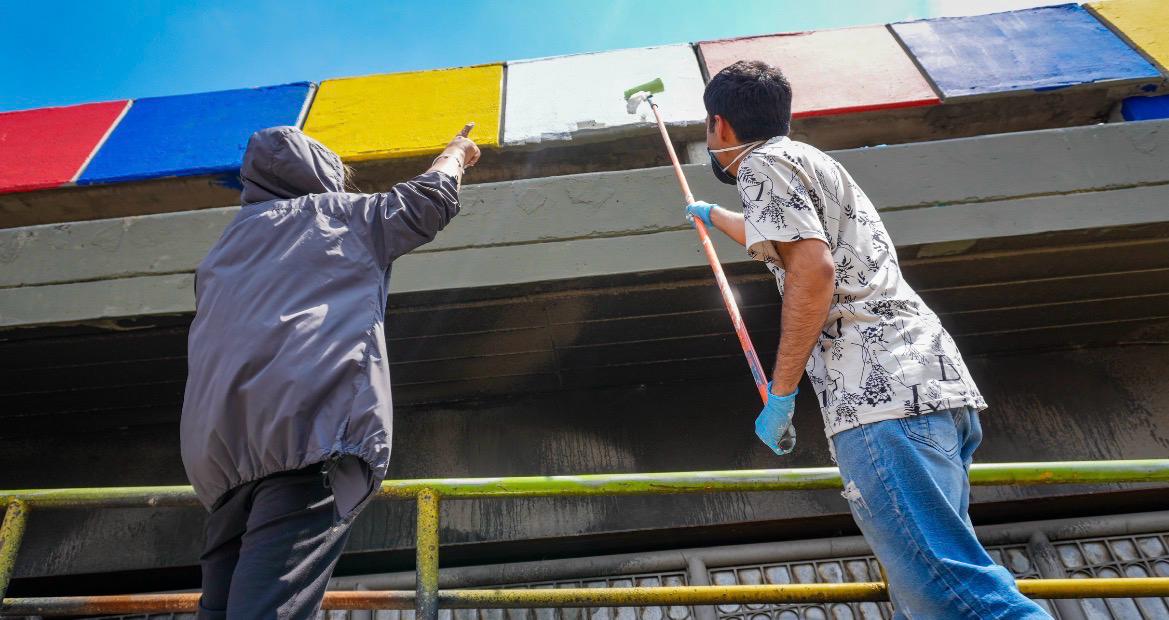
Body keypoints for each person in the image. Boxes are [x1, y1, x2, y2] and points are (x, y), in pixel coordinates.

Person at [686, 61, 1050, 619]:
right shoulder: (813, 161)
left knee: (953, 592)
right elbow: (790, 236)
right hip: (932, 387)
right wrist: (715, 215)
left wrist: (782, 396)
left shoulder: (758, 164)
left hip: (880, 401)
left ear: (721, 126)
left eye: (709, 133)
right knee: (926, 600)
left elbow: (812, 270)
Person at [180, 124, 480, 619]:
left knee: (225, 605)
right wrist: (455, 153)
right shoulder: (344, 216)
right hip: (306, 430)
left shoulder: (222, 251)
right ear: (321, 172)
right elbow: (427, 201)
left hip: (218, 455)